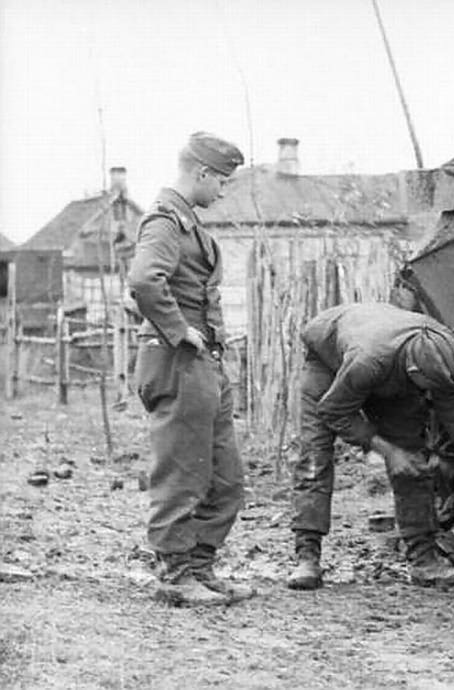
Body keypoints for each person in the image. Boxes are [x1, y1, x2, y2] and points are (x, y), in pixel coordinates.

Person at [287, 302, 454, 590]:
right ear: (413, 370)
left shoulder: (440, 347)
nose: (427, 392)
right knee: (315, 459)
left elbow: (446, 396)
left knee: (413, 458)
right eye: (424, 385)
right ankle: (307, 557)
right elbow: (333, 411)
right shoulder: (368, 362)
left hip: (388, 372)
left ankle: (424, 561)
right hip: (329, 361)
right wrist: (388, 452)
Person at [128, 132, 254, 607]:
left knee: (225, 477)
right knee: (182, 473)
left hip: (203, 365)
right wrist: (180, 330)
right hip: (177, 360)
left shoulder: (188, 225)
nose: (223, 191)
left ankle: (201, 566)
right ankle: (175, 573)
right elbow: (144, 280)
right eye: (221, 180)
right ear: (201, 173)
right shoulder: (165, 221)